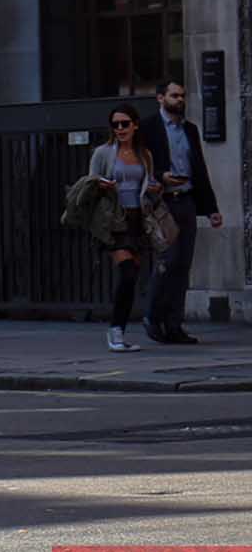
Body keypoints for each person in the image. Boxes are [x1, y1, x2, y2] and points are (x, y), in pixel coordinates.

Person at [139, 79, 221, 344]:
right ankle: (152, 316)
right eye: (174, 95)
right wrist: (161, 176)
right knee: (168, 260)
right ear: (160, 98)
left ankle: (174, 324)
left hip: (186, 201)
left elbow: (199, 170)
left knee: (183, 266)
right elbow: (139, 165)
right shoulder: (148, 128)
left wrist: (211, 209)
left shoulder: (190, 130)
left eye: (182, 95)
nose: (180, 100)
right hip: (163, 203)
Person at [88, 103, 158, 353]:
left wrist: (155, 188)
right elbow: (89, 184)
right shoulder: (103, 153)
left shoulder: (145, 155)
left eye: (125, 123)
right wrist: (101, 185)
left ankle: (120, 331)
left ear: (135, 125)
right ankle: (115, 331)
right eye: (115, 124)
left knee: (132, 277)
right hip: (113, 219)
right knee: (127, 272)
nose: (120, 128)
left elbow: (147, 185)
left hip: (137, 218)